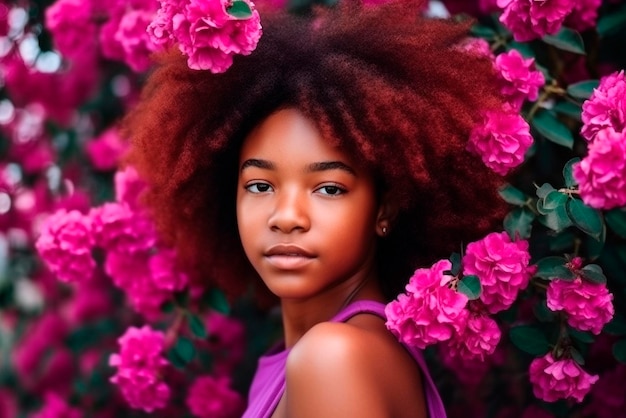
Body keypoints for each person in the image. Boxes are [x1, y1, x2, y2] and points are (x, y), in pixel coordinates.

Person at [124, 0, 508, 416]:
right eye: (259, 185)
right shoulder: (304, 359)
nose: (286, 216)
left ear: (386, 208)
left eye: (327, 188)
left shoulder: (333, 359)